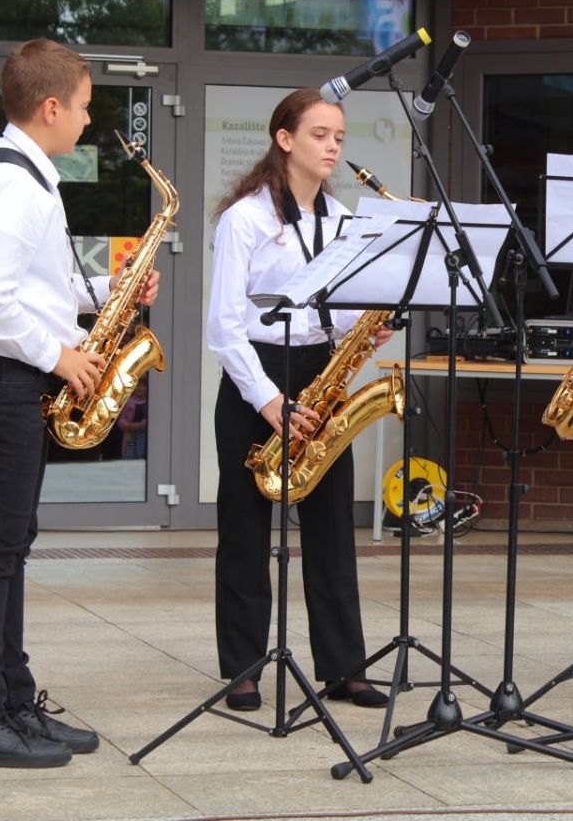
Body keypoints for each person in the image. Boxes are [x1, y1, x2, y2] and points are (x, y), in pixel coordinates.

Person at [0, 38, 160, 769]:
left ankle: (12, 701)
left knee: (10, 544)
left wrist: (103, 296)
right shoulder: (10, 188)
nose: (90, 122)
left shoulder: (28, 179)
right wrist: (60, 355)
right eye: (86, 107)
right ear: (52, 106)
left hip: (0, 374)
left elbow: (23, 284)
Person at [208, 87, 386, 712]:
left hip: (320, 375)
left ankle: (344, 666)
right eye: (319, 134)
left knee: (333, 524)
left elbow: (334, 312)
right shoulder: (245, 219)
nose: (333, 145)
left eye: (338, 135)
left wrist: (364, 323)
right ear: (285, 140)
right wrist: (267, 402)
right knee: (245, 529)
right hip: (257, 378)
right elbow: (224, 327)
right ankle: (245, 668)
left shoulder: (341, 221)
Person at [117, 375, 148, 459]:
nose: (139, 388)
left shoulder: (149, 403)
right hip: (129, 435)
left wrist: (140, 425)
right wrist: (126, 425)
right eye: (137, 385)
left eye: (143, 386)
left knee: (142, 454)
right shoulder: (128, 402)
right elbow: (121, 420)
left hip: (143, 435)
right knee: (129, 454)